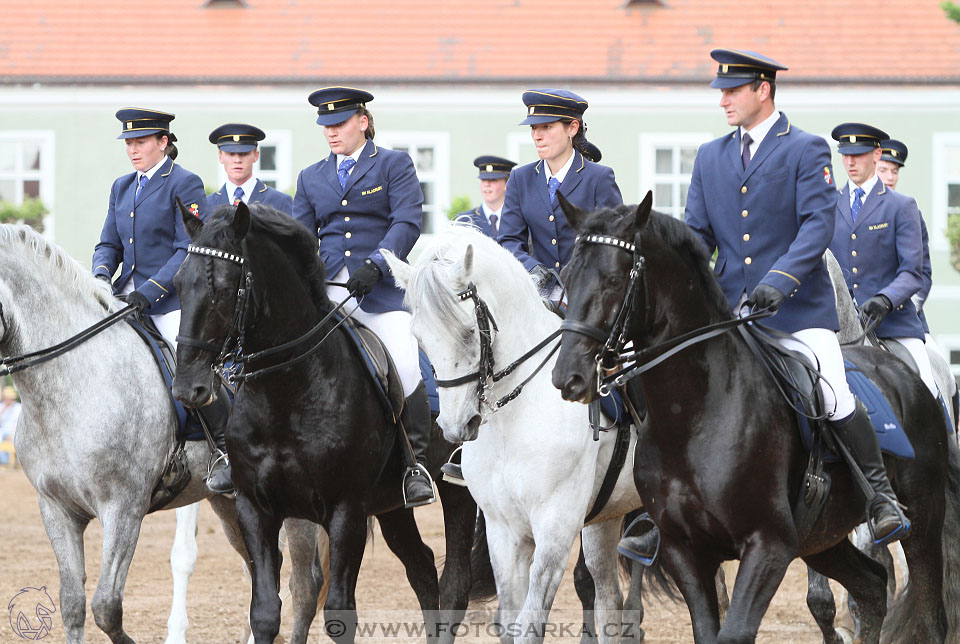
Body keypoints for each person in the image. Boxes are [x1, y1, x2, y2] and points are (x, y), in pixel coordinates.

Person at [619, 49, 910, 564]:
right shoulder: (710, 156)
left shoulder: (806, 149)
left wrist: (780, 280)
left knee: (832, 387)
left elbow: (817, 226)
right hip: (728, 313)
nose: (723, 100)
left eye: (733, 91)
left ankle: (878, 496)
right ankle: (657, 510)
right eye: (720, 92)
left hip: (797, 310)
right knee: (664, 387)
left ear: (763, 90)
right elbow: (697, 237)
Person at [292, 87, 435, 508]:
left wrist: (378, 264)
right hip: (325, 294)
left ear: (363, 121)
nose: (331, 133)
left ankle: (415, 465)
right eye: (325, 127)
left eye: (338, 124)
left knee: (406, 363)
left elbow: (407, 220)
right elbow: (303, 239)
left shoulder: (393, 164)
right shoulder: (310, 177)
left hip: (379, 292)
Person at [92, 107, 233, 495]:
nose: (132, 150)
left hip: (168, 303)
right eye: (129, 144)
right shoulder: (122, 186)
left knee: (186, 359)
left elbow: (188, 246)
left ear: (163, 142)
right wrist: (102, 276)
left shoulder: (184, 183)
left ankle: (223, 449)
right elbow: (108, 243)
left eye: (140, 142)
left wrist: (151, 290)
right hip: (123, 295)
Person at [829, 124, 937, 399]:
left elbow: (913, 272)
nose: (850, 161)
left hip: (892, 325)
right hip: (837, 326)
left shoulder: (901, 206)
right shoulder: (828, 205)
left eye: (859, 154)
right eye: (845, 154)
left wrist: (885, 300)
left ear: (876, 154)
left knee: (929, 388)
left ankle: (946, 438)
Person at [498, 88, 623, 302]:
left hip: (588, 299)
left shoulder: (599, 178)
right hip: (536, 297)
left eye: (547, 127)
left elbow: (615, 242)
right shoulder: (521, 178)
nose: (537, 135)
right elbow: (508, 240)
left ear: (572, 128)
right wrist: (534, 269)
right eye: (534, 128)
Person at [876, 139, 936, 340]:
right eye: (883, 170)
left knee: (928, 370)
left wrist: (901, 305)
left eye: (894, 171)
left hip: (902, 318)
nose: (890, 177)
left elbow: (923, 272)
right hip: (853, 318)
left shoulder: (910, 211)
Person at [206, 123, 293, 215]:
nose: (237, 160)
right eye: (231, 154)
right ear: (220, 156)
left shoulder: (279, 202)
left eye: (244, 153)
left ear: (256, 155)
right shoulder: (207, 205)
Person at [455, 155, 516, 238]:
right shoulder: (465, 221)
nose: (487, 184)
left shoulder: (518, 219)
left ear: (507, 183)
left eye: (493, 180)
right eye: (483, 180)